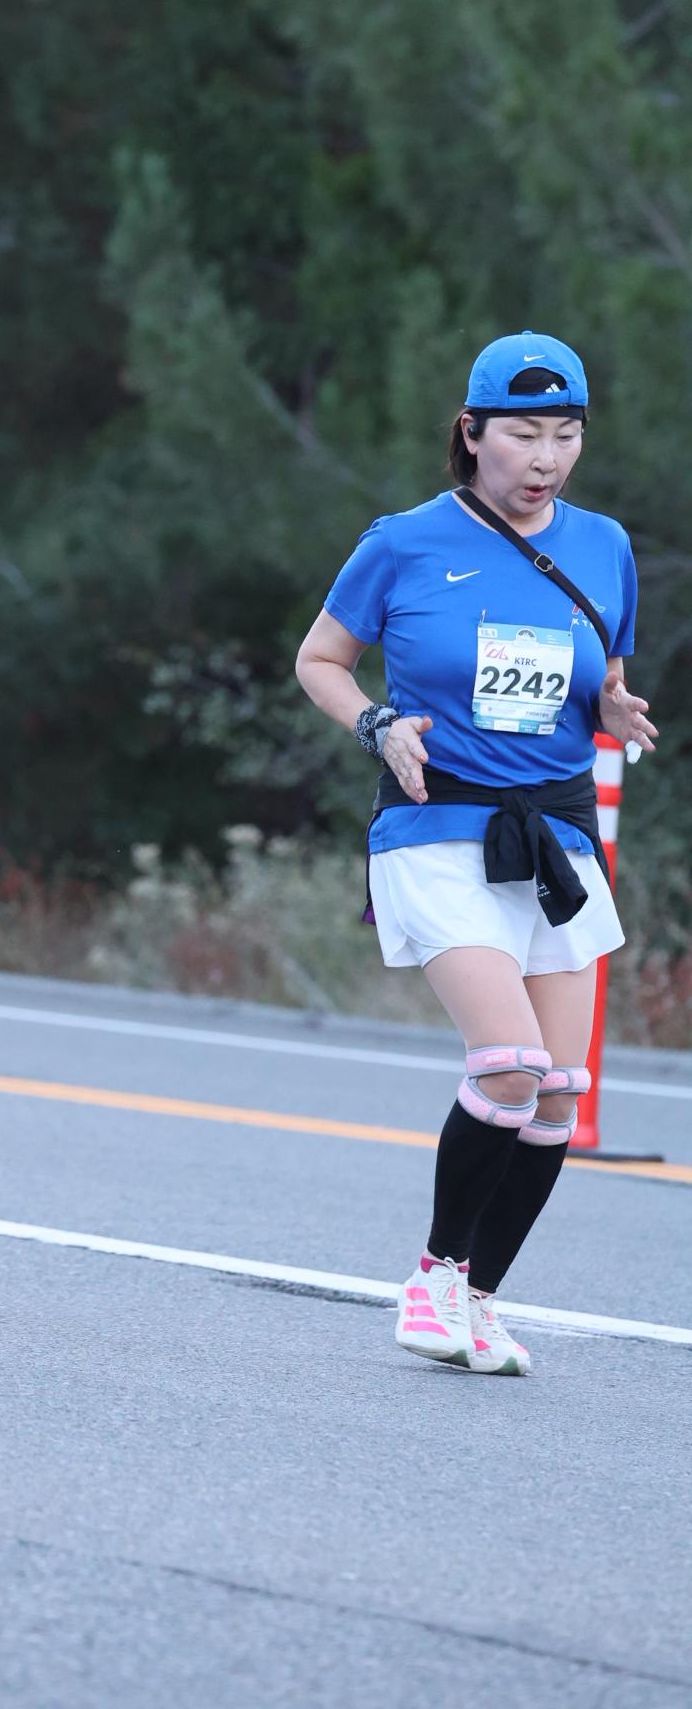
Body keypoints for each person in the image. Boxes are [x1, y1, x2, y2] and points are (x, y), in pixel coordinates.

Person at [295, 331, 655, 1376]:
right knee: (509, 1063)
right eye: (523, 434)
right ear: (472, 431)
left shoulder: (604, 546)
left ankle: (477, 1298)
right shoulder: (404, 542)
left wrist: (612, 706)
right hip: (438, 827)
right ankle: (432, 1277)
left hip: (555, 837)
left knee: (559, 1092)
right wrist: (376, 725)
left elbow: (598, 674)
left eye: (565, 435)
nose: (546, 458)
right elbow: (320, 660)